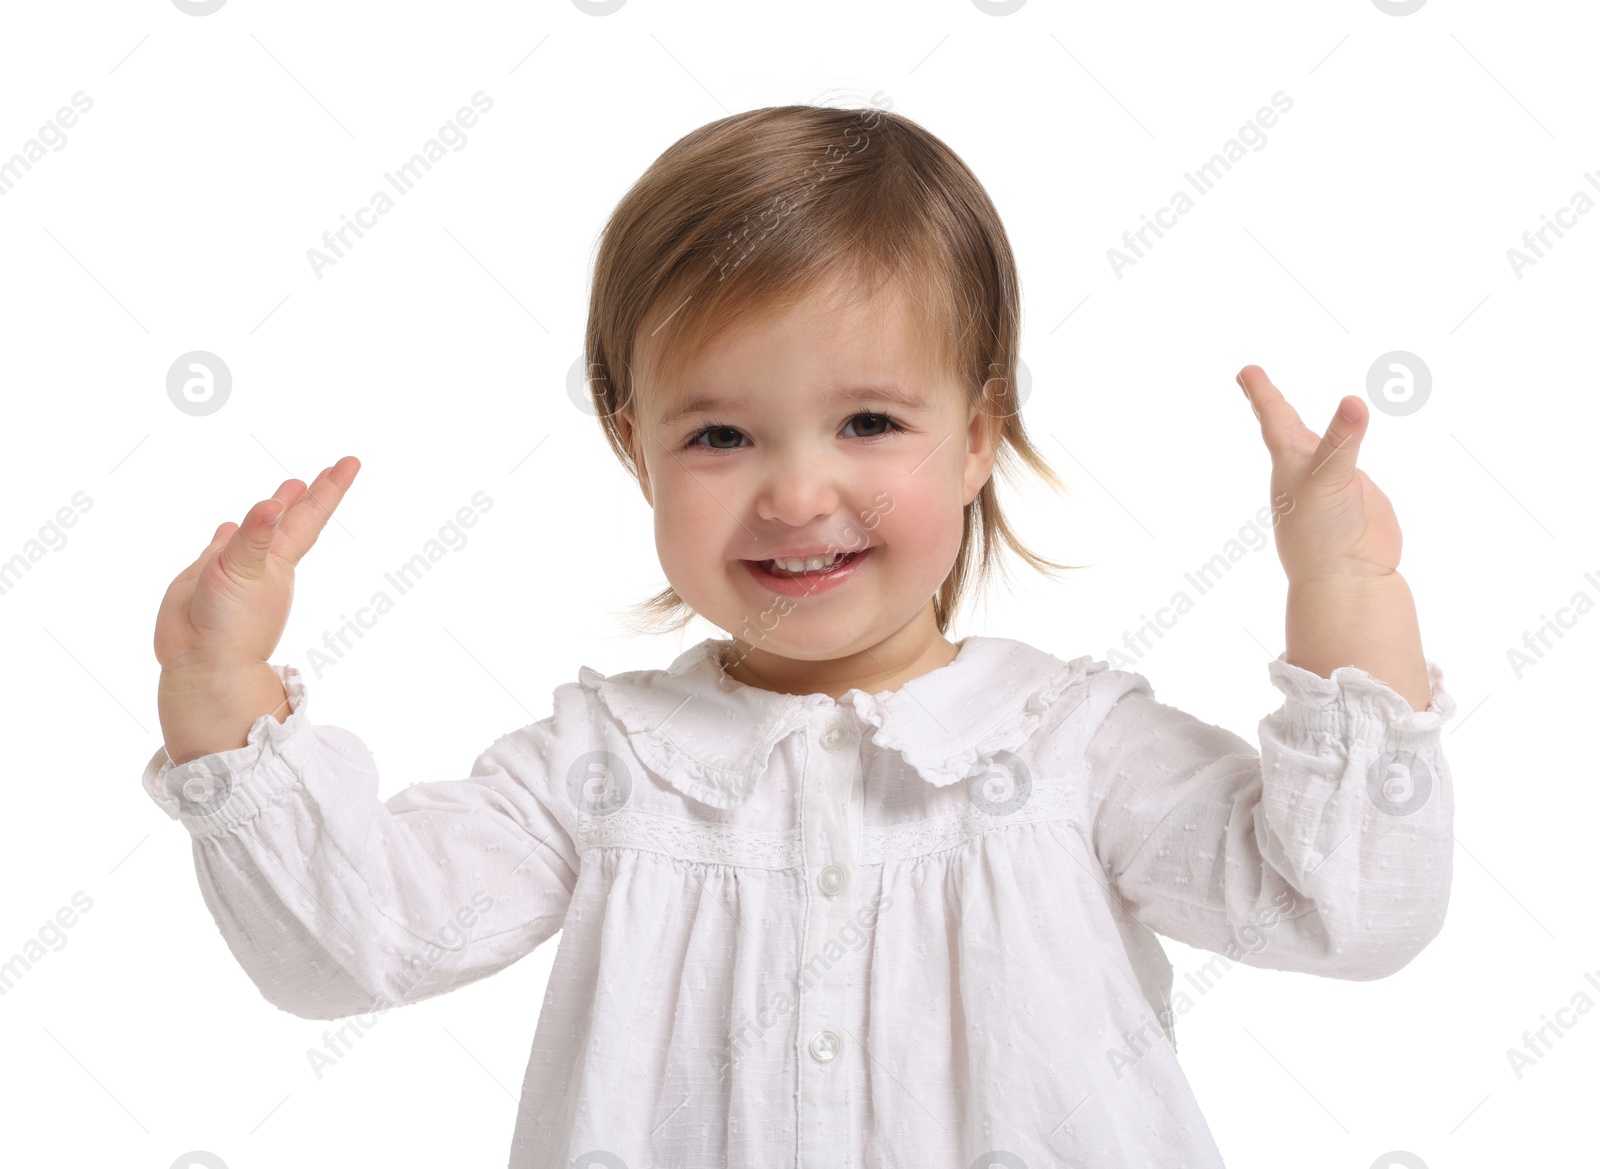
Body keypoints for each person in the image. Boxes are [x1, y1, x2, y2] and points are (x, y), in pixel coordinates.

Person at [142, 102, 1455, 1168]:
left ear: (981, 431)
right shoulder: (606, 765)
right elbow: (351, 946)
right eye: (719, 435)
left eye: (869, 423)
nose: (797, 492)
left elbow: (1341, 909)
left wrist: (1343, 582)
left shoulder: (1072, 752)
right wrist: (218, 685)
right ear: (633, 448)